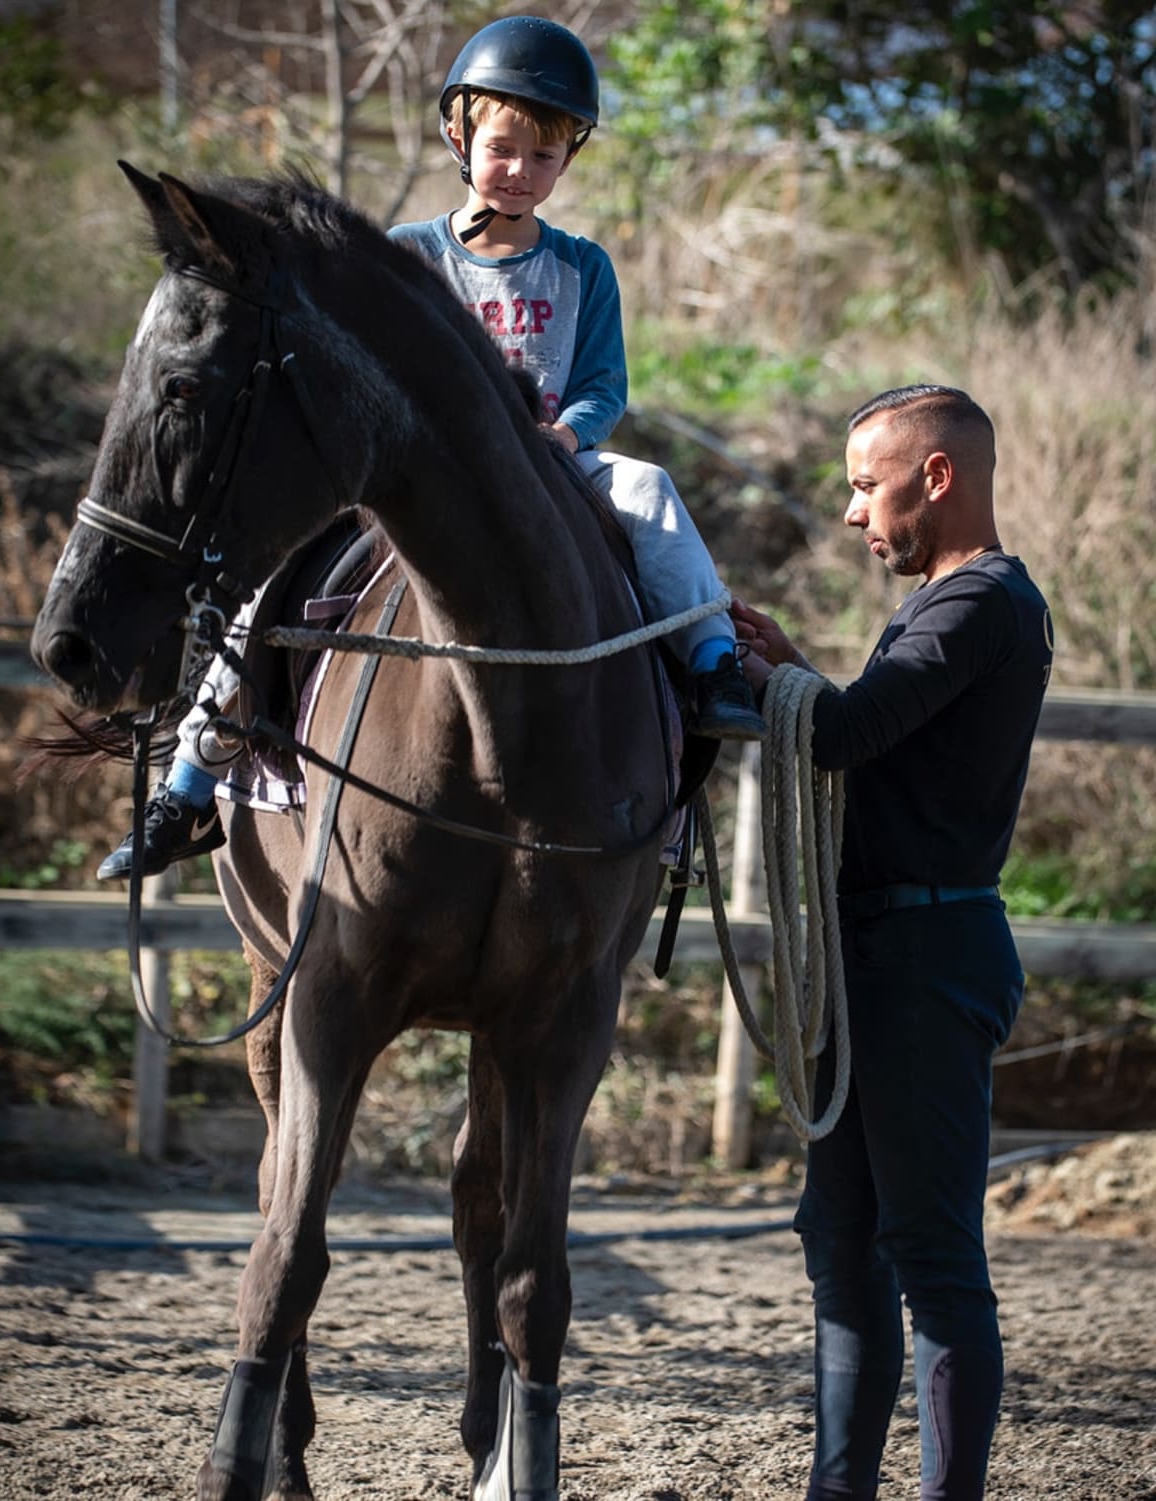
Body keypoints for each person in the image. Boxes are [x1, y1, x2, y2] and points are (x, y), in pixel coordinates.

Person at [96, 14, 764, 882]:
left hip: (550, 465)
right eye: (503, 149)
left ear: (568, 161)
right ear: (459, 135)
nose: (521, 173)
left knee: (649, 490)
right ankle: (191, 780)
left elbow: (605, 384)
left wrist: (566, 432)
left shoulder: (583, 268)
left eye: (545, 157)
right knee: (279, 568)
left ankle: (707, 676)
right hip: (412, 476)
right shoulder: (407, 257)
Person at [732, 384, 1053, 1500]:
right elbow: (871, 733)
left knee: (930, 1254)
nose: (859, 513)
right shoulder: (945, 608)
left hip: (922, 959)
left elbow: (847, 732)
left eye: (870, 485)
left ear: (939, 475)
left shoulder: (981, 603)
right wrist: (797, 672)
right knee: (843, 1234)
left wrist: (775, 682)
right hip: (884, 956)